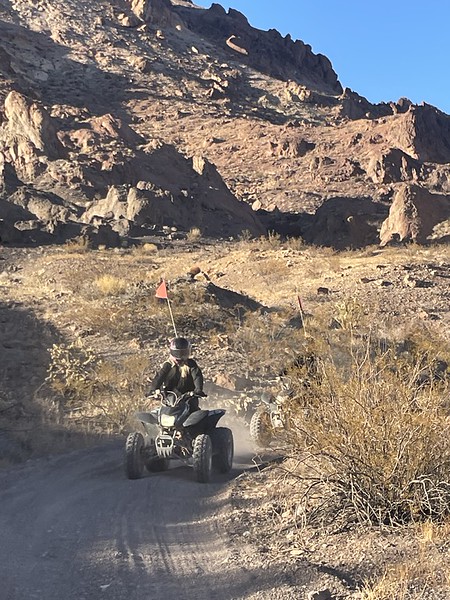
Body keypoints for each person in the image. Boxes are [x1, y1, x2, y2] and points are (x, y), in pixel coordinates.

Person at [148, 337, 206, 411]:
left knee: (194, 412)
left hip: (189, 398)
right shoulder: (168, 365)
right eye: (177, 353)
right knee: (157, 413)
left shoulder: (191, 364)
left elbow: (197, 376)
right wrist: (153, 389)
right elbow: (160, 376)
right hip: (170, 399)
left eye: (183, 353)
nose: (181, 357)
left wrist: (198, 390)